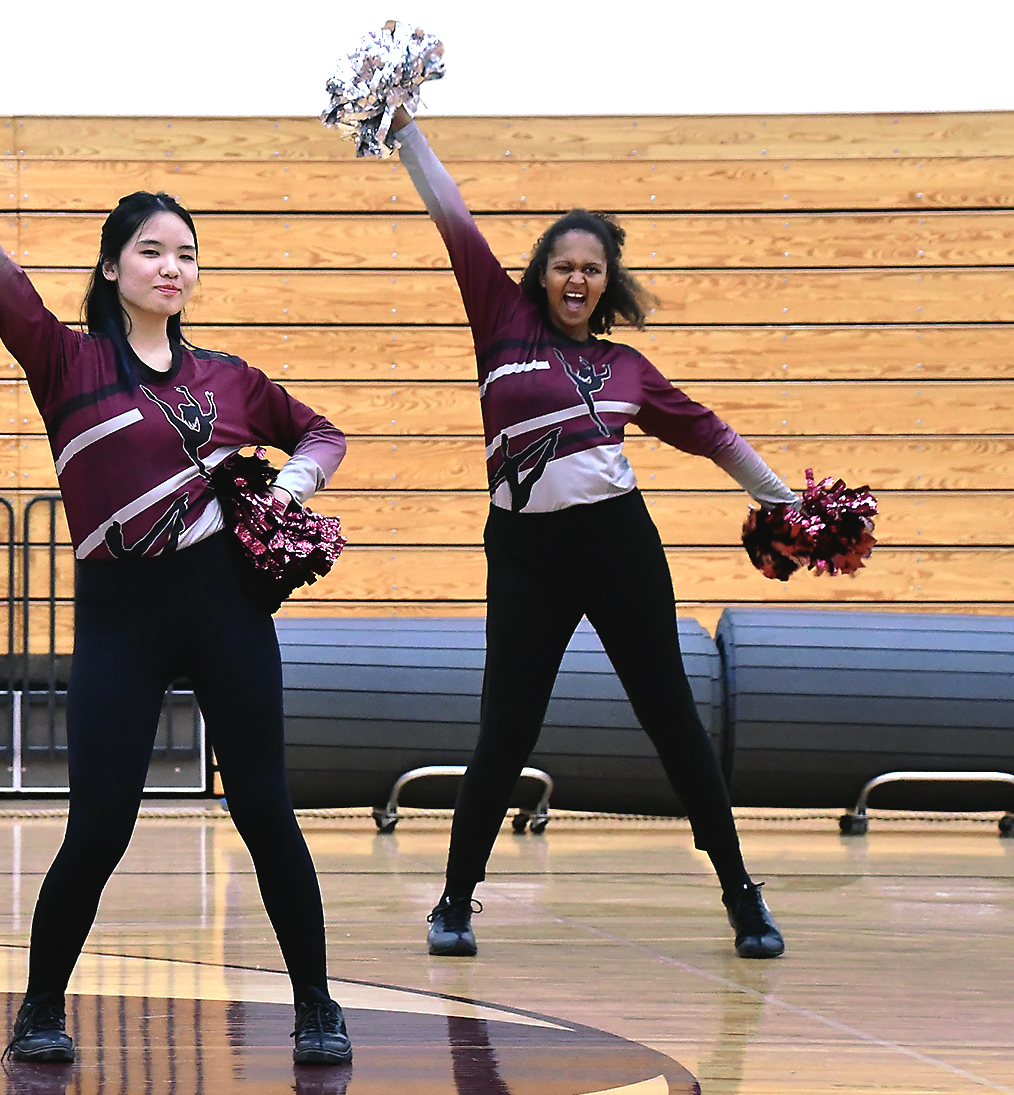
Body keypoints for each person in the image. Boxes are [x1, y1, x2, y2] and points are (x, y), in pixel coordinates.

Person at [0, 180, 355, 1064]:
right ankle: (40, 1009)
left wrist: (288, 489)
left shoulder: (230, 379)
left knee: (266, 810)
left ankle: (316, 1004)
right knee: (99, 825)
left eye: (187, 254)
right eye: (154, 251)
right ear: (112, 265)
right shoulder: (66, 362)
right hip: (120, 620)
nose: (174, 267)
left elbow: (320, 434)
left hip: (225, 611)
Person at [389, 107, 791, 960]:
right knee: (506, 727)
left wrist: (786, 500)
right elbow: (450, 211)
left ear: (607, 283)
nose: (577, 280)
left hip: (618, 547)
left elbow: (711, 432)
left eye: (592, 270)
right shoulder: (498, 318)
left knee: (672, 717)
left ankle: (742, 893)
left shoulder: (626, 370)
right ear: (541, 275)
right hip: (526, 554)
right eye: (564, 266)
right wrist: (402, 129)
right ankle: (455, 900)